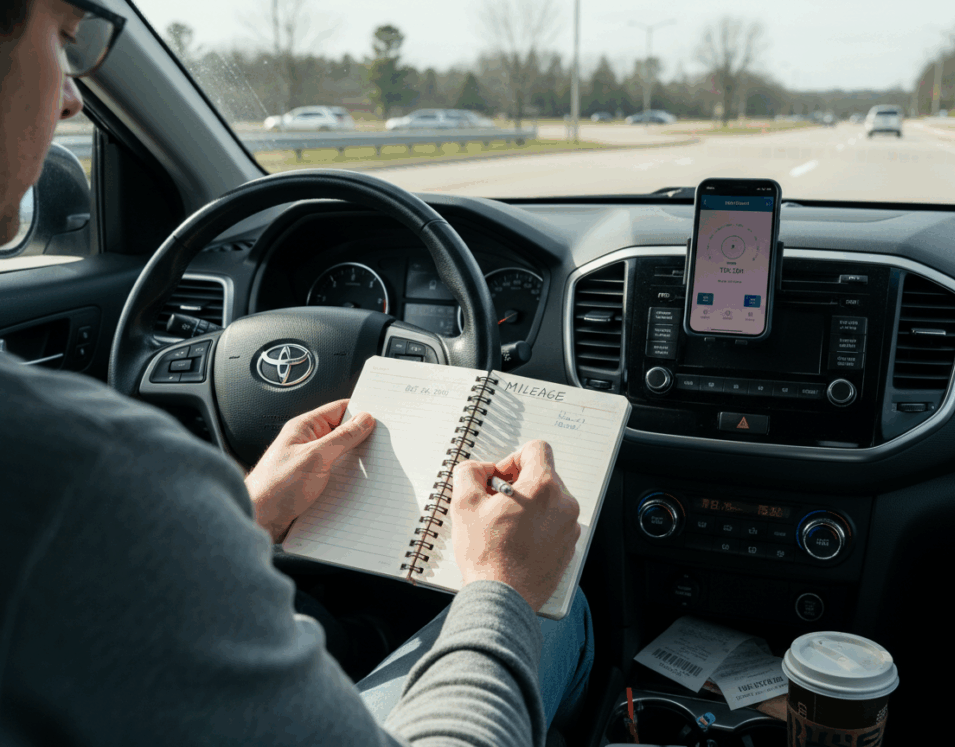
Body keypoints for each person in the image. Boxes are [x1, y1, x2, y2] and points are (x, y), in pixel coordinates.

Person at [0, 1, 594, 745]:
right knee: (560, 604)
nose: (74, 95)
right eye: (61, 39)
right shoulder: (92, 481)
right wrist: (501, 589)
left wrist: (237, 516)